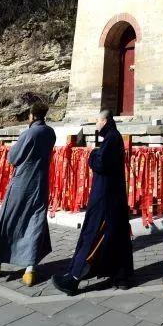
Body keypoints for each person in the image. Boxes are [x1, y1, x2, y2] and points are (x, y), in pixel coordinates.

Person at [53, 110, 133, 295]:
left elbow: (101, 163)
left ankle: (73, 279)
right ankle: (121, 276)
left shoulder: (111, 139)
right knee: (116, 237)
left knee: (93, 235)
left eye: (97, 120)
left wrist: (92, 155)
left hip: (105, 198)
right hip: (113, 197)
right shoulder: (113, 138)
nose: (96, 124)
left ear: (105, 121)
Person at [0, 100, 56, 286]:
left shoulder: (29, 133)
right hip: (41, 183)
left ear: (31, 115)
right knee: (35, 222)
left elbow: (13, 158)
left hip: (22, 183)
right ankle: (30, 269)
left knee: (11, 221)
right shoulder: (50, 132)